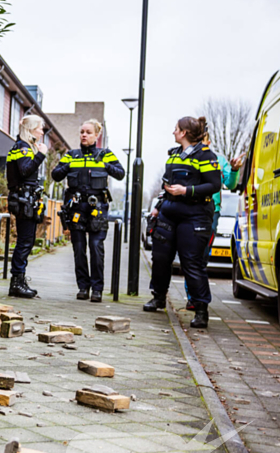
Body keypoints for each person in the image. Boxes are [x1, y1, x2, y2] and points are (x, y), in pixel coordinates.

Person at [144, 116, 222, 328]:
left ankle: (201, 310)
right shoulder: (174, 155)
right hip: (169, 213)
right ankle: (158, 297)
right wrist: (158, 207)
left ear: (184, 132)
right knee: (160, 258)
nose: (173, 132)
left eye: (176, 129)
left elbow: (215, 185)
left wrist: (187, 191)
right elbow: (166, 184)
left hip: (195, 215)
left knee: (192, 262)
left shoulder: (206, 155)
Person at [51, 120, 125, 303]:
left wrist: (105, 165)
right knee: (78, 249)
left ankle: (97, 289)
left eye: (88, 132)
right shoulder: (71, 155)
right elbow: (56, 174)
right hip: (76, 208)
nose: (84, 135)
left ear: (96, 135)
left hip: (97, 209)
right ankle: (83, 287)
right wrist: (67, 166)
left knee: (96, 248)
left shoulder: (105, 154)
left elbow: (120, 173)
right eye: (82, 132)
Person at [183, 138, 239, 310]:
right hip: (189, 209)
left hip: (210, 212)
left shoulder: (219, 160)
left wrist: (235, 169)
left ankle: (196, 297)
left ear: (208, 139)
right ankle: (193, 297)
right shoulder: (185, 157)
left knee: (201, 254)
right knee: (190, 254)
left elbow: (230, 184)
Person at [5, 114, 48, 298]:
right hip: (23, 199)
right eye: (40, 128)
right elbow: (24, 171)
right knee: (24, 242)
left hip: (26, 199)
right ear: (31, 129)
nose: (42, 132)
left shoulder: (25, 146)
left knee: (27, 241)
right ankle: (17, 283)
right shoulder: (23, 147)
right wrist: (41, 155)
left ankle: (19, 281)